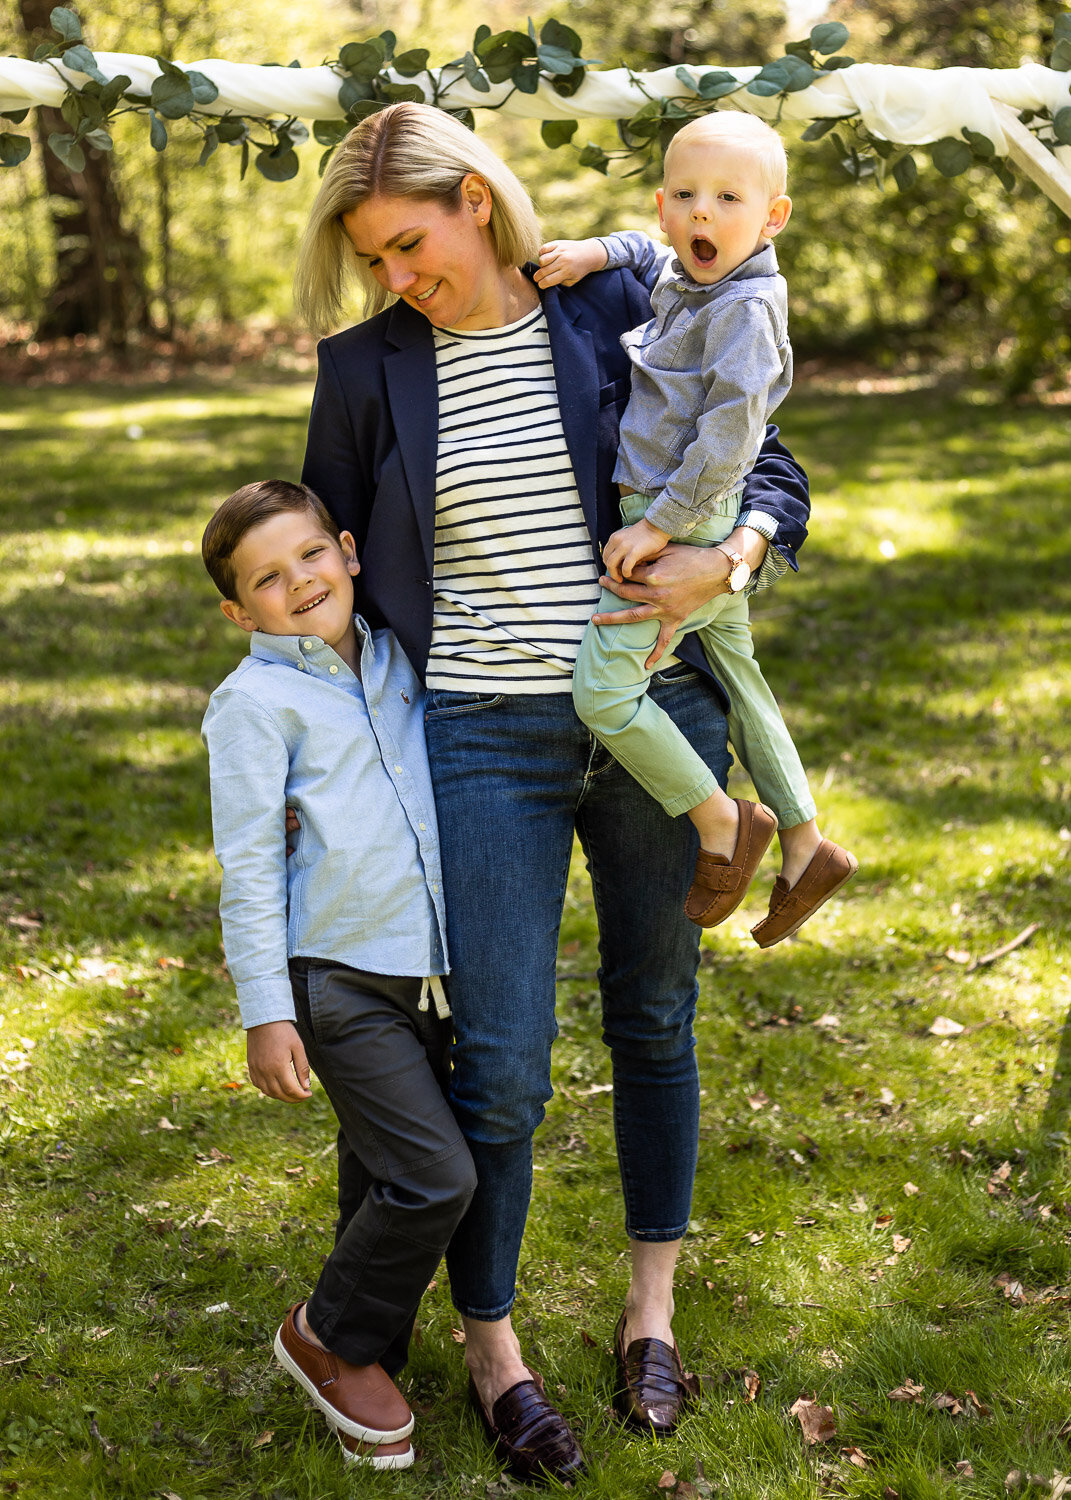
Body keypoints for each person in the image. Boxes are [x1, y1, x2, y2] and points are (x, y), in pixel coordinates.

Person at [294, 100, 810, 1483]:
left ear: (477, 197)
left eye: (413, 243)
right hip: (478, 740)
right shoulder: (362, 367)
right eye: (376, 263)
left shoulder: (616, 302)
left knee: (652, 1017)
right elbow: (322, 576)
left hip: (653, 711)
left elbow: (767, 459)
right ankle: (492, 1345)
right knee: (502, 1066)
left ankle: (649, 1313)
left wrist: (736, 554)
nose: (400, 278)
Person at [200, 479, 476, 1472]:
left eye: (312, 556)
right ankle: (324, 1334)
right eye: (268, 579)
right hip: (339, 977)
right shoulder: (252, 706)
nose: (299, 582)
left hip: (430, 967)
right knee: (434, 1176)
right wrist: (267, 1013)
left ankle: (376, 1347)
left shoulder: (404, 658)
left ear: (349, 552)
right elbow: (249, 867)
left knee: (379, 1174)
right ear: (240, 613)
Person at [537, 112, 857, 945]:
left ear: (772, 217)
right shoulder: (692, 270)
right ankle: (804, 839)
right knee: (741, 676)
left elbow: (730, 435)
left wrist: (663, 531)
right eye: (684, 197)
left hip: (679, 512)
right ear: (661, 204)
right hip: (683, 510)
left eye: (725, 198)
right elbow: (649, 254)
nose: (701, 216)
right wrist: (599, 252)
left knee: (604, 689)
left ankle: (722, 824)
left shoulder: (747, 309)